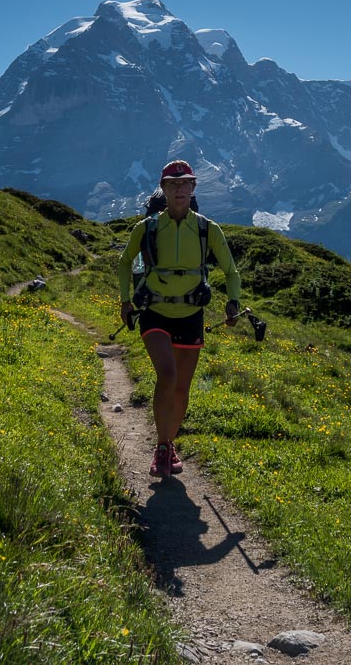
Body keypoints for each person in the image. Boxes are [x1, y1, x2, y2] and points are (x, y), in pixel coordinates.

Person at [118, 159, 241, 478]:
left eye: (185, 183)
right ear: (164, 189)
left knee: (182, 390)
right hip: (155, 312)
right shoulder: (147, 227)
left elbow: (231, 271)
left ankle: (169, 442)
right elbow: (125, 262)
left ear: (193, 187)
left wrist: (233, 302)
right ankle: (162, 448)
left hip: (190, 315)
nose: (179, 189)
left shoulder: (207, 229)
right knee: (168, 375)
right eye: (173, 185)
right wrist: (125, 301)